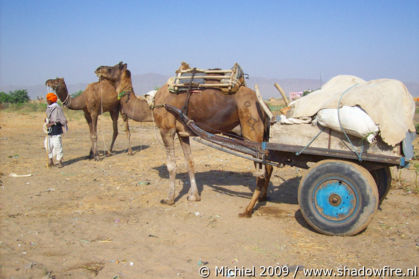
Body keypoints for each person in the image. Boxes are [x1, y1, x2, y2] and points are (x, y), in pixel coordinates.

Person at [44, 92, 68, 168]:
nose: (47, 100)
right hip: (49, 130)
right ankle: (51, 161)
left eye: (48, 99)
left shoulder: (57, 108)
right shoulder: (49, 107)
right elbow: (48, 117)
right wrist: (46, 121)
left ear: (51, 100)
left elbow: (60, 119)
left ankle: (60, 161)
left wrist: (51, 123)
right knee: (48, 145)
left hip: (56, 128)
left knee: (57, 145)